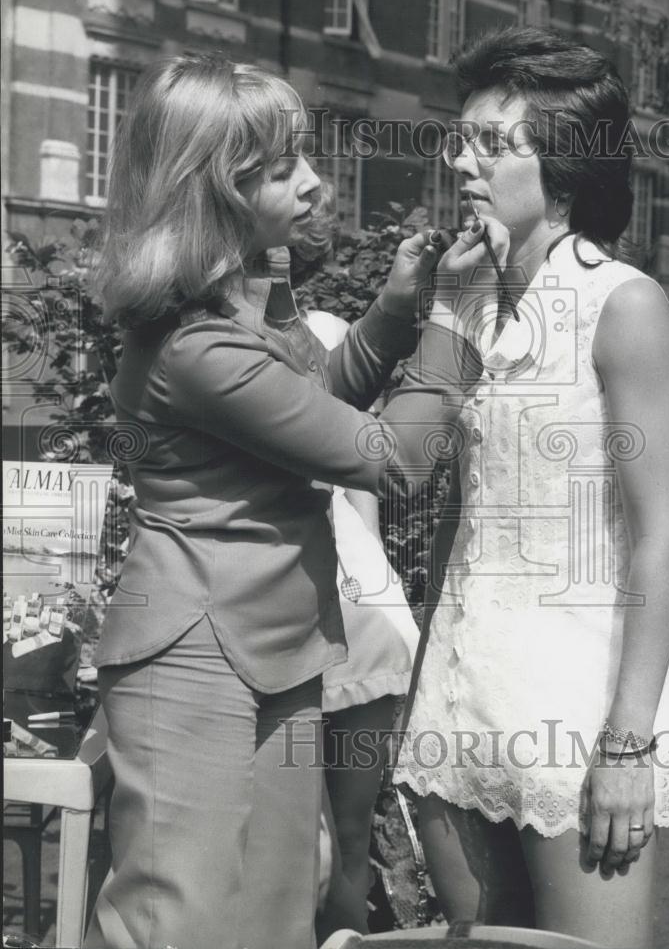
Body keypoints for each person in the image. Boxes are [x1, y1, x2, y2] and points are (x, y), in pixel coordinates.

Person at [83, 54, 505, 949]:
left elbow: (310, 404)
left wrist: (393, 318)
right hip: (194, 662)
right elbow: (391, 461)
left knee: (276, 916)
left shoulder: (238, 314)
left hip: (264, 650)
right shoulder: (198, 346)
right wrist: (451, 327)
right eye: (283, 170)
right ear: (216, 193)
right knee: (179, 923)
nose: (313, 183)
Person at [394, 27, 669, 948]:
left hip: (578, 717)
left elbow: (661, 536)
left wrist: (627, 743)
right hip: (458, 707)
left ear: (565, 168)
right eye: (463, 139)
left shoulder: (627, 305)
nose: (462, 160)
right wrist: (421, 706)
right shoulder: (468, 303)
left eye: (495, 143)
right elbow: (453, 510)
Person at [304, 307, 419, 941]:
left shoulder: (324, 329)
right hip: (288, 601)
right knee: (305, 842)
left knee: (347, 835)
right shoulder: (223, 330)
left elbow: (359, 482)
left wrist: (373, 579)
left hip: (356, 615)